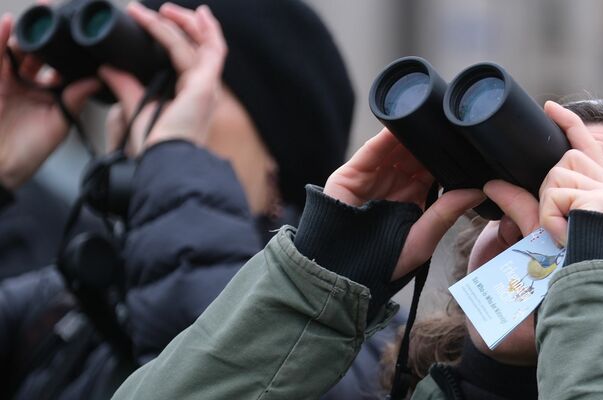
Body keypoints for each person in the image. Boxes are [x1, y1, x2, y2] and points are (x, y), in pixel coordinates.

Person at [109, 94, 603, 399]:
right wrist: (314, 283)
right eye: (536, 187)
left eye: (600, 200)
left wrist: (592, 268)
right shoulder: (347, 380)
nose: (550, 220)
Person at [0, 1, 386, 398]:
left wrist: (174, 161)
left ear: (278, 151)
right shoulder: (65, 306)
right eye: (130, 92)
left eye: (176, 88)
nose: (139, 115)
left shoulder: (355, 327)